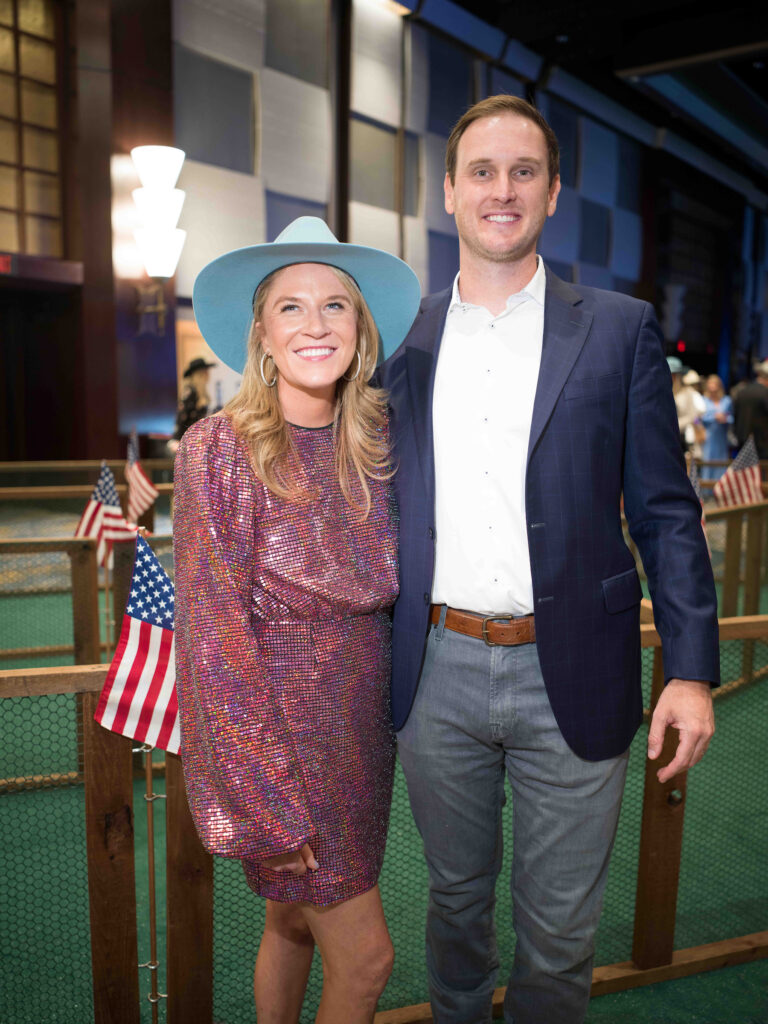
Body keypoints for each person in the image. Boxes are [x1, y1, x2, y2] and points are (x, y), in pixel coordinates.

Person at [378, 95, 718, 1024]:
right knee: (454, 906)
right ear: (449, 191)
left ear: (554, 191)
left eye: (523, 172)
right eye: (482, 172)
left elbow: (665, 511)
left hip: (576, 662)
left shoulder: (618, 327)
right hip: (435, 668)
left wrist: (690, 671)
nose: (502, 190)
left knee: (561, 934)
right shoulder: (398, 338)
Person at [173, 217, 421, 1022]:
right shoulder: (218, 450)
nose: (315, 325)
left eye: (334, 305)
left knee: (290, 923)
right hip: (279, 738)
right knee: (368, 960)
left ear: (361, 329)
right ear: (262, 335)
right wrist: (262, 800)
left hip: (361, 733)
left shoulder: (383, 444)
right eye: (291, 307)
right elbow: (212, 641)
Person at [668, 356, 706, 454]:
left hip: (682, 438)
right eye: (670, 374)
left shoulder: (687, 393)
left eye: (674, 374)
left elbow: (692, 416)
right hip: (664, 437)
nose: (672, 377)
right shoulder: (661, 393)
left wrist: (674, 425)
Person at [733, 358, 768, 459]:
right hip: (762, 443)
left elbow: (735, 415)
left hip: (742, 440)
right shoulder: (765, 393)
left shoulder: (742, 391)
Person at [701, 374, 733, 479]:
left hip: (722, 436)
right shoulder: (703, 400)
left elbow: (731, 417)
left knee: (722, 462)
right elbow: (698, 419)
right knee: (707, 461)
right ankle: (706, 487)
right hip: (708, 437)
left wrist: (725, 419)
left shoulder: (727, 401)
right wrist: (714, 417)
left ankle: (720, 486)